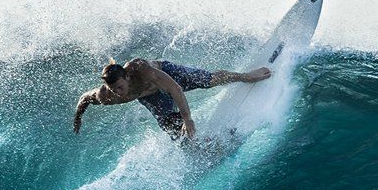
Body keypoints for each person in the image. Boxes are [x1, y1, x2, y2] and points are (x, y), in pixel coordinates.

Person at [73, 58, 271, 140]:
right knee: (174, 130)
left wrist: (188, 118)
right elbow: (85, 98)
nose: (118, 93)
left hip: (168, 76)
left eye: (120, 87)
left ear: (126, 76)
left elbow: (175, 89)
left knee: (207, 80)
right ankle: (203, 147)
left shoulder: (143, 70)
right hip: (151, 98)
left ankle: (246, 76)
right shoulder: (107, 96)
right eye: (113, 89)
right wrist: (78, 117)